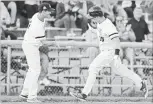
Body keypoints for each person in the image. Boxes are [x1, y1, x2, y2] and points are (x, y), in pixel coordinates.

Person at [70, 6, 148, 101]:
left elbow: (116, 40)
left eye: (93, 17)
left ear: (98, 16)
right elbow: (102, 33)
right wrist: (93, 30)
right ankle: (141, 83)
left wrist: (116, 55)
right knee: (122, 71)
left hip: (109, 52)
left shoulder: (108, 25)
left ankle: (84, 94)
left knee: (93, 68)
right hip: (106, 51)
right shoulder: (101, 23)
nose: (92, 20)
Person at [19, 3, 54, 103]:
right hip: (31, 46)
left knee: (32, 70)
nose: (50, 12)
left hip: (31, 44)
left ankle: (24, 93)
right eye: (48, 11)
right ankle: (32, 97)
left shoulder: (37, 15)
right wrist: (55, 43)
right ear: (42, 11)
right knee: (35, 71)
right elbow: (45, 43)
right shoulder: (37, 26)